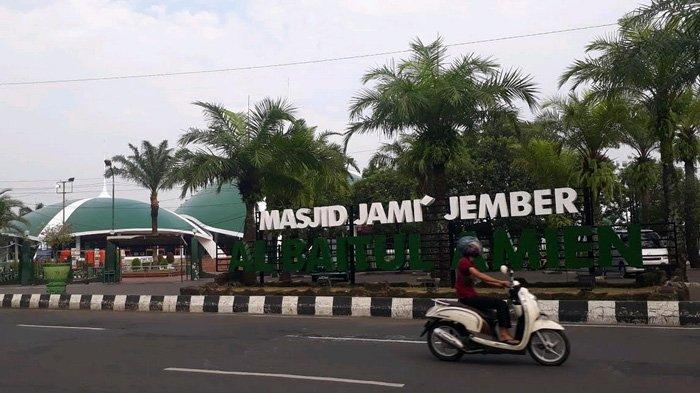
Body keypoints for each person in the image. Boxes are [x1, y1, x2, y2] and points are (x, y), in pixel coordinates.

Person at [454, 236, 518, 344]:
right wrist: (500, 282)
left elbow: (486, 281)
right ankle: (503, 334)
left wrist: (501, 285)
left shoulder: (469, 262)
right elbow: (479, 275)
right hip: (468, 298)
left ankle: (491, 338)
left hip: (470, 297)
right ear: (467, 248)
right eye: (474, 246)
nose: (477, 248)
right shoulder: (464, 262)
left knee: (492, 315)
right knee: (501, 304)